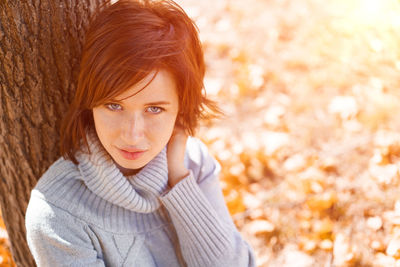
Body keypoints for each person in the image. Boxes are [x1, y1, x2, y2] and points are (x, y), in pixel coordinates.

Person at [25, 0, 256, 266]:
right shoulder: (59, 213)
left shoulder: (194, 163)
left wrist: (178, 180)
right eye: (114, 105)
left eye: (154, 109)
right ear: (90, 102)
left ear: (181, 108)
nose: (133, 135)